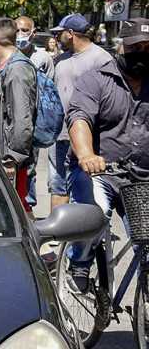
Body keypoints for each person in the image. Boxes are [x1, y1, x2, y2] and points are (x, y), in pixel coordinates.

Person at [64, 18, 149, 290]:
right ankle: (80, 260)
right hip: (101, 172)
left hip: (142, 177)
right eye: (138, 46)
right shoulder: (96, 80)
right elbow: (79, 118)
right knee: (95, 217)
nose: (143, 53)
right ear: (122, 46)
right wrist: (87, 154)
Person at [47, 14, 113, 211]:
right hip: (59, 136)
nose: (57, 38)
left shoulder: (102, 59)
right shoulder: (60, 60)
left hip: (87, 138)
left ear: (71, 33)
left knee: (87, 191)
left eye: (60, 34)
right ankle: (59, 237)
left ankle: (91, 238)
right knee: (58, 186)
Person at [0, 18, 38, 209]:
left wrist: (12, 160)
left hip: (12, 163)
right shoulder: (6, 66)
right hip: (3, 157)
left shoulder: (17, 69)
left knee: (18, 212)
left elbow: (22, 119)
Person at [15, 15, 53, 209]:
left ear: (33, 33)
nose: (20, 35)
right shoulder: (10, 55)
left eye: (24, 30)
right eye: (17, 30)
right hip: (13, 122)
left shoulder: (42, 58)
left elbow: (49, 94)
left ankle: (28, 205)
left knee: (29, 167)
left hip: (33, 122)